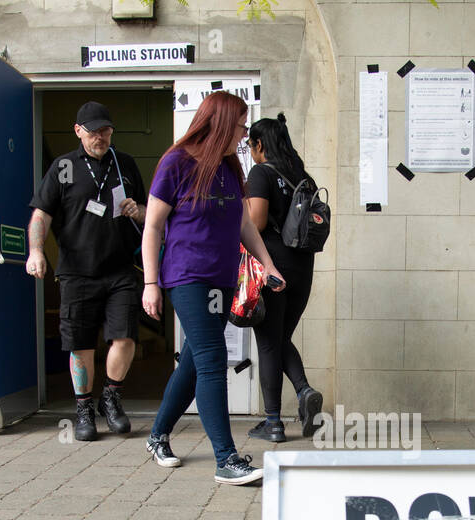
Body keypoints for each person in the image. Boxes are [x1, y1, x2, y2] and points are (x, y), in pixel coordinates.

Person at [141, 92, 285, 486]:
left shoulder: (227, 167)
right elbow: (153, 226)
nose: (243, 133)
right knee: (211, 358)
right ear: (220, 122)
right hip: (187, 277)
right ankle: (226, 459)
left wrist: (268, 266)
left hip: (222, 279)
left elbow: (244, 225)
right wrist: (150, 283)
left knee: (192, 362)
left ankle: (157, 436)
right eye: (240, 124)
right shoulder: (176, 163)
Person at [26, 101, 146, 442]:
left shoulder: (124, 165)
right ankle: (83, 409)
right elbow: (41, 214)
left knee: (125, 338)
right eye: (94, 132)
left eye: (106, 131)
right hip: (77, 272)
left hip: (121, 269)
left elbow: (150, 213)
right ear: (78, 131)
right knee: (80, 345)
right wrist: (36, 251)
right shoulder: (63, 167)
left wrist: (138, 211)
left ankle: (111, 398)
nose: (101, 137)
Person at [243, 115, 324, 442]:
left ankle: (273, 422)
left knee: (268, 342)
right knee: (279, 338)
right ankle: (304, 392)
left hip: (272, 268)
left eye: (249, 145)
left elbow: (257, 222)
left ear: (259, 144)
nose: (249, 152)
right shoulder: (303, 176)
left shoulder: (261, 173)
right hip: (303, 269)